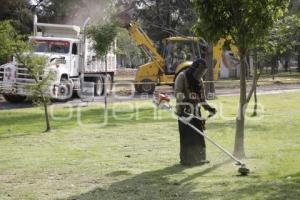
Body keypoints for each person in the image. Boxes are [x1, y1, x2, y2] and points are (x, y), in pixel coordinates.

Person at [174, 58, 216, 166]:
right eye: (200, 71)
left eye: (203, 72)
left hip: (196, 111)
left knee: (199, 136)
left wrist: (209, 108)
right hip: (183, 111)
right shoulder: (182, 76)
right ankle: (187, 160)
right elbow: (177, 93)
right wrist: (186, 100)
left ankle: (200, 158)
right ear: (194, 69)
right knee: (187, 136)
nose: (201, 74)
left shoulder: (200, 81)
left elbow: (202, 98)